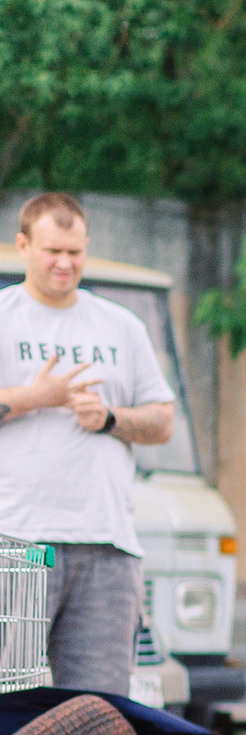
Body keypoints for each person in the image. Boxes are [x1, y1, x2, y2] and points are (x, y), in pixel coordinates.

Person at [0, 194, 178, 694]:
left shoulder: (120, 326)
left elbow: (162, 421)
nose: (64, 263)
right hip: (15, 543)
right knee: (9, 702)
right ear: (23, 245)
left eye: (75, 252)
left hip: (106, 544)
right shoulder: (5, 317)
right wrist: (36, 396)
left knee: (98, 712)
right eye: (52, 250)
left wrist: (110, 418)